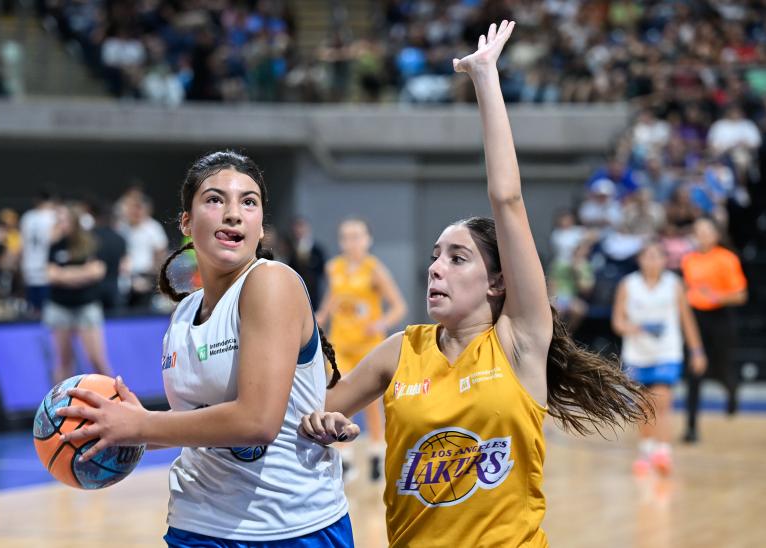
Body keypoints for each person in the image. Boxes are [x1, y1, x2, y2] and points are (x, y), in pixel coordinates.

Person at [300, 21, 649, 547]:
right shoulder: (400, 352)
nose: (436, 267)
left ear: (497, 282)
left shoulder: (519, 342)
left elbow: (506, 199)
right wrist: (322, 426)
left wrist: (485, 78)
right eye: (435, 256)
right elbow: (315, 414)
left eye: (458, 258)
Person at [56, 151, 353, 547]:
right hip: (196, 524)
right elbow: (196, 423)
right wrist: (119, 429)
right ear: (186, 222)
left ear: (261, 227)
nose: (233, 213)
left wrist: (143, 426)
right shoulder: (184, 312)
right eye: (215, 200)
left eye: (249, 202)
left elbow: (257, 423)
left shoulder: (271, 283)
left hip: (290, 529)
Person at [315, 217, 407, 482]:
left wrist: (381, 323)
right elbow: (333, 297)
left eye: (357, 236)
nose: (352, 241)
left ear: (367, 240)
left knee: (371, 404)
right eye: (347, 236)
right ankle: (345, 457)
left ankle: (377, 452)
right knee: (340, 399)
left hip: (368, 346)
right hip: (340, 344)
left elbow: (399, 305)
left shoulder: (374, 269)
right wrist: (322, 313)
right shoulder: (334, 267)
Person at [612, 240, 706, 474]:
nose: (652, 260)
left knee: (662, 401)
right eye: (647, 255)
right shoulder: (628, 284)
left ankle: (663, 451)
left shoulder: (674, 284)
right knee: (643, 406)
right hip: (637, 355)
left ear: (664, 260)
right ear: (640, 259)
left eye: (657, 256)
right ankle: (646, 450)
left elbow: (687, 320)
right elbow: (617, 322)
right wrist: (634, 328)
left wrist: (697, 350)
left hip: (667, 352)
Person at [680, 217, 748, 442]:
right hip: (697, 319)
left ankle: (732, 391)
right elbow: (688, 290)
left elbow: (741, 295)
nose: (701, 235)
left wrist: (718, 296)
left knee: (722, 368)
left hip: (721, 318)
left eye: (706, 231)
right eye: (697, 231)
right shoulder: (688, 260)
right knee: (694, 373)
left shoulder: (727, 259)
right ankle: (691, 428)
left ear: (715, 234)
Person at [44, 204, 112, 383]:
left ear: (74, 222)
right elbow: (50, 275)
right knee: (63, 363)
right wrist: (82, 273)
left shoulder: (91, 243)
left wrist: (64, 275)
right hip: (60, 307)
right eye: (59, 220)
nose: (61, 224)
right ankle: (60, 408)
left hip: (86, 306)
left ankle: (117, 402)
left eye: (64, 220)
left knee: (97, 360)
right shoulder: (55, 245)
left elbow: (97, 271)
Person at [20, 190, 57, 315]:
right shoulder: (54, 216)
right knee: (48, 311)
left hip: (29, 266)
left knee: (33, 311)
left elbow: (22, 244)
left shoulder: (27, 217)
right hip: (47, 269)